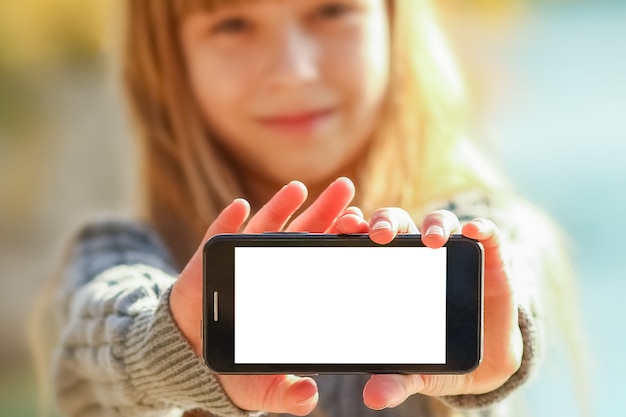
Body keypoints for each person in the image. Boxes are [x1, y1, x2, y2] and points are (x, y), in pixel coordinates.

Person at [35, 0, 578, 416]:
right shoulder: (112, 251)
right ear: (168, 61)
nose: (293, 70)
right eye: (232, 23)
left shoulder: (479, 225)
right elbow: (100, 336)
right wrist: (168, 337)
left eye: (331, 9)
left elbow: (513, 273)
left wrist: (496, 329)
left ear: (394, 24)